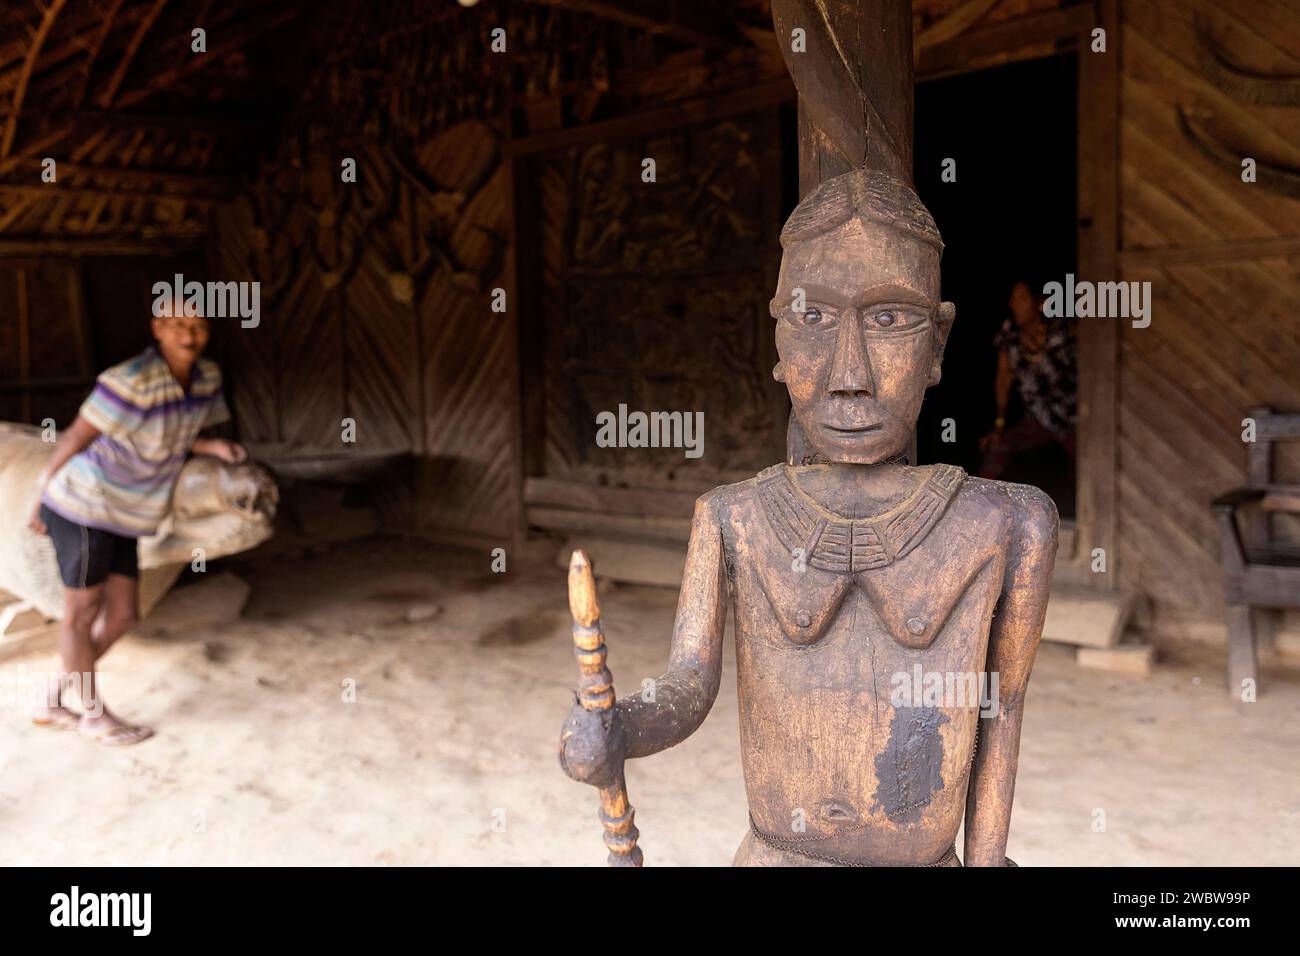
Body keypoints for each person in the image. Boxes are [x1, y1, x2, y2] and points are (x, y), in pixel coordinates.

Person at [27, 300, 246, 745]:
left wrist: (211, 449)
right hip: (84, 504)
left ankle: (54, 697)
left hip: (130, 511)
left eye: (199, 325)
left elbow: (174, 430)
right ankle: (92, 714)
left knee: (124, 614)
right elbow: (75, 435)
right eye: (178, 325)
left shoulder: (207, 378)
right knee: (80, 616)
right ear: (158, 329)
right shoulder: (128, 380)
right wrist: (40, 492)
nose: (190, 334)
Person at [979, 279, 1077, 481]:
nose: (1014, 304)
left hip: (1073, 414)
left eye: (1022, 298)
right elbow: (1003, 379)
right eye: (1013, 299)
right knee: (998, 448)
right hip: (1038, 418)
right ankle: (979, 505)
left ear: (1039, 303)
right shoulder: (1010, 335)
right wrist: (999, 425)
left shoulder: (1062, 328)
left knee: (1086, 455)